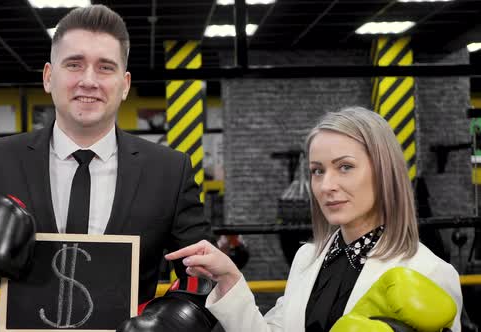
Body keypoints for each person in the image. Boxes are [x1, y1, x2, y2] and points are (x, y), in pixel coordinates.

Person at [0, 4, 211, 329]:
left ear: (125, 84)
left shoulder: (169, 171)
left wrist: (176, 315)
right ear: (49, 77)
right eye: (74, 64)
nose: (88, 81)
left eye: (105, 67)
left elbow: (204, 275)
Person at [166, 106, 463, 331]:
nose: (326, 185)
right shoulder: (308, 258)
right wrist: (230, 278)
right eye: (318, 170)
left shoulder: (429, 271)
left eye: (345, 167)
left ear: (384, 171)